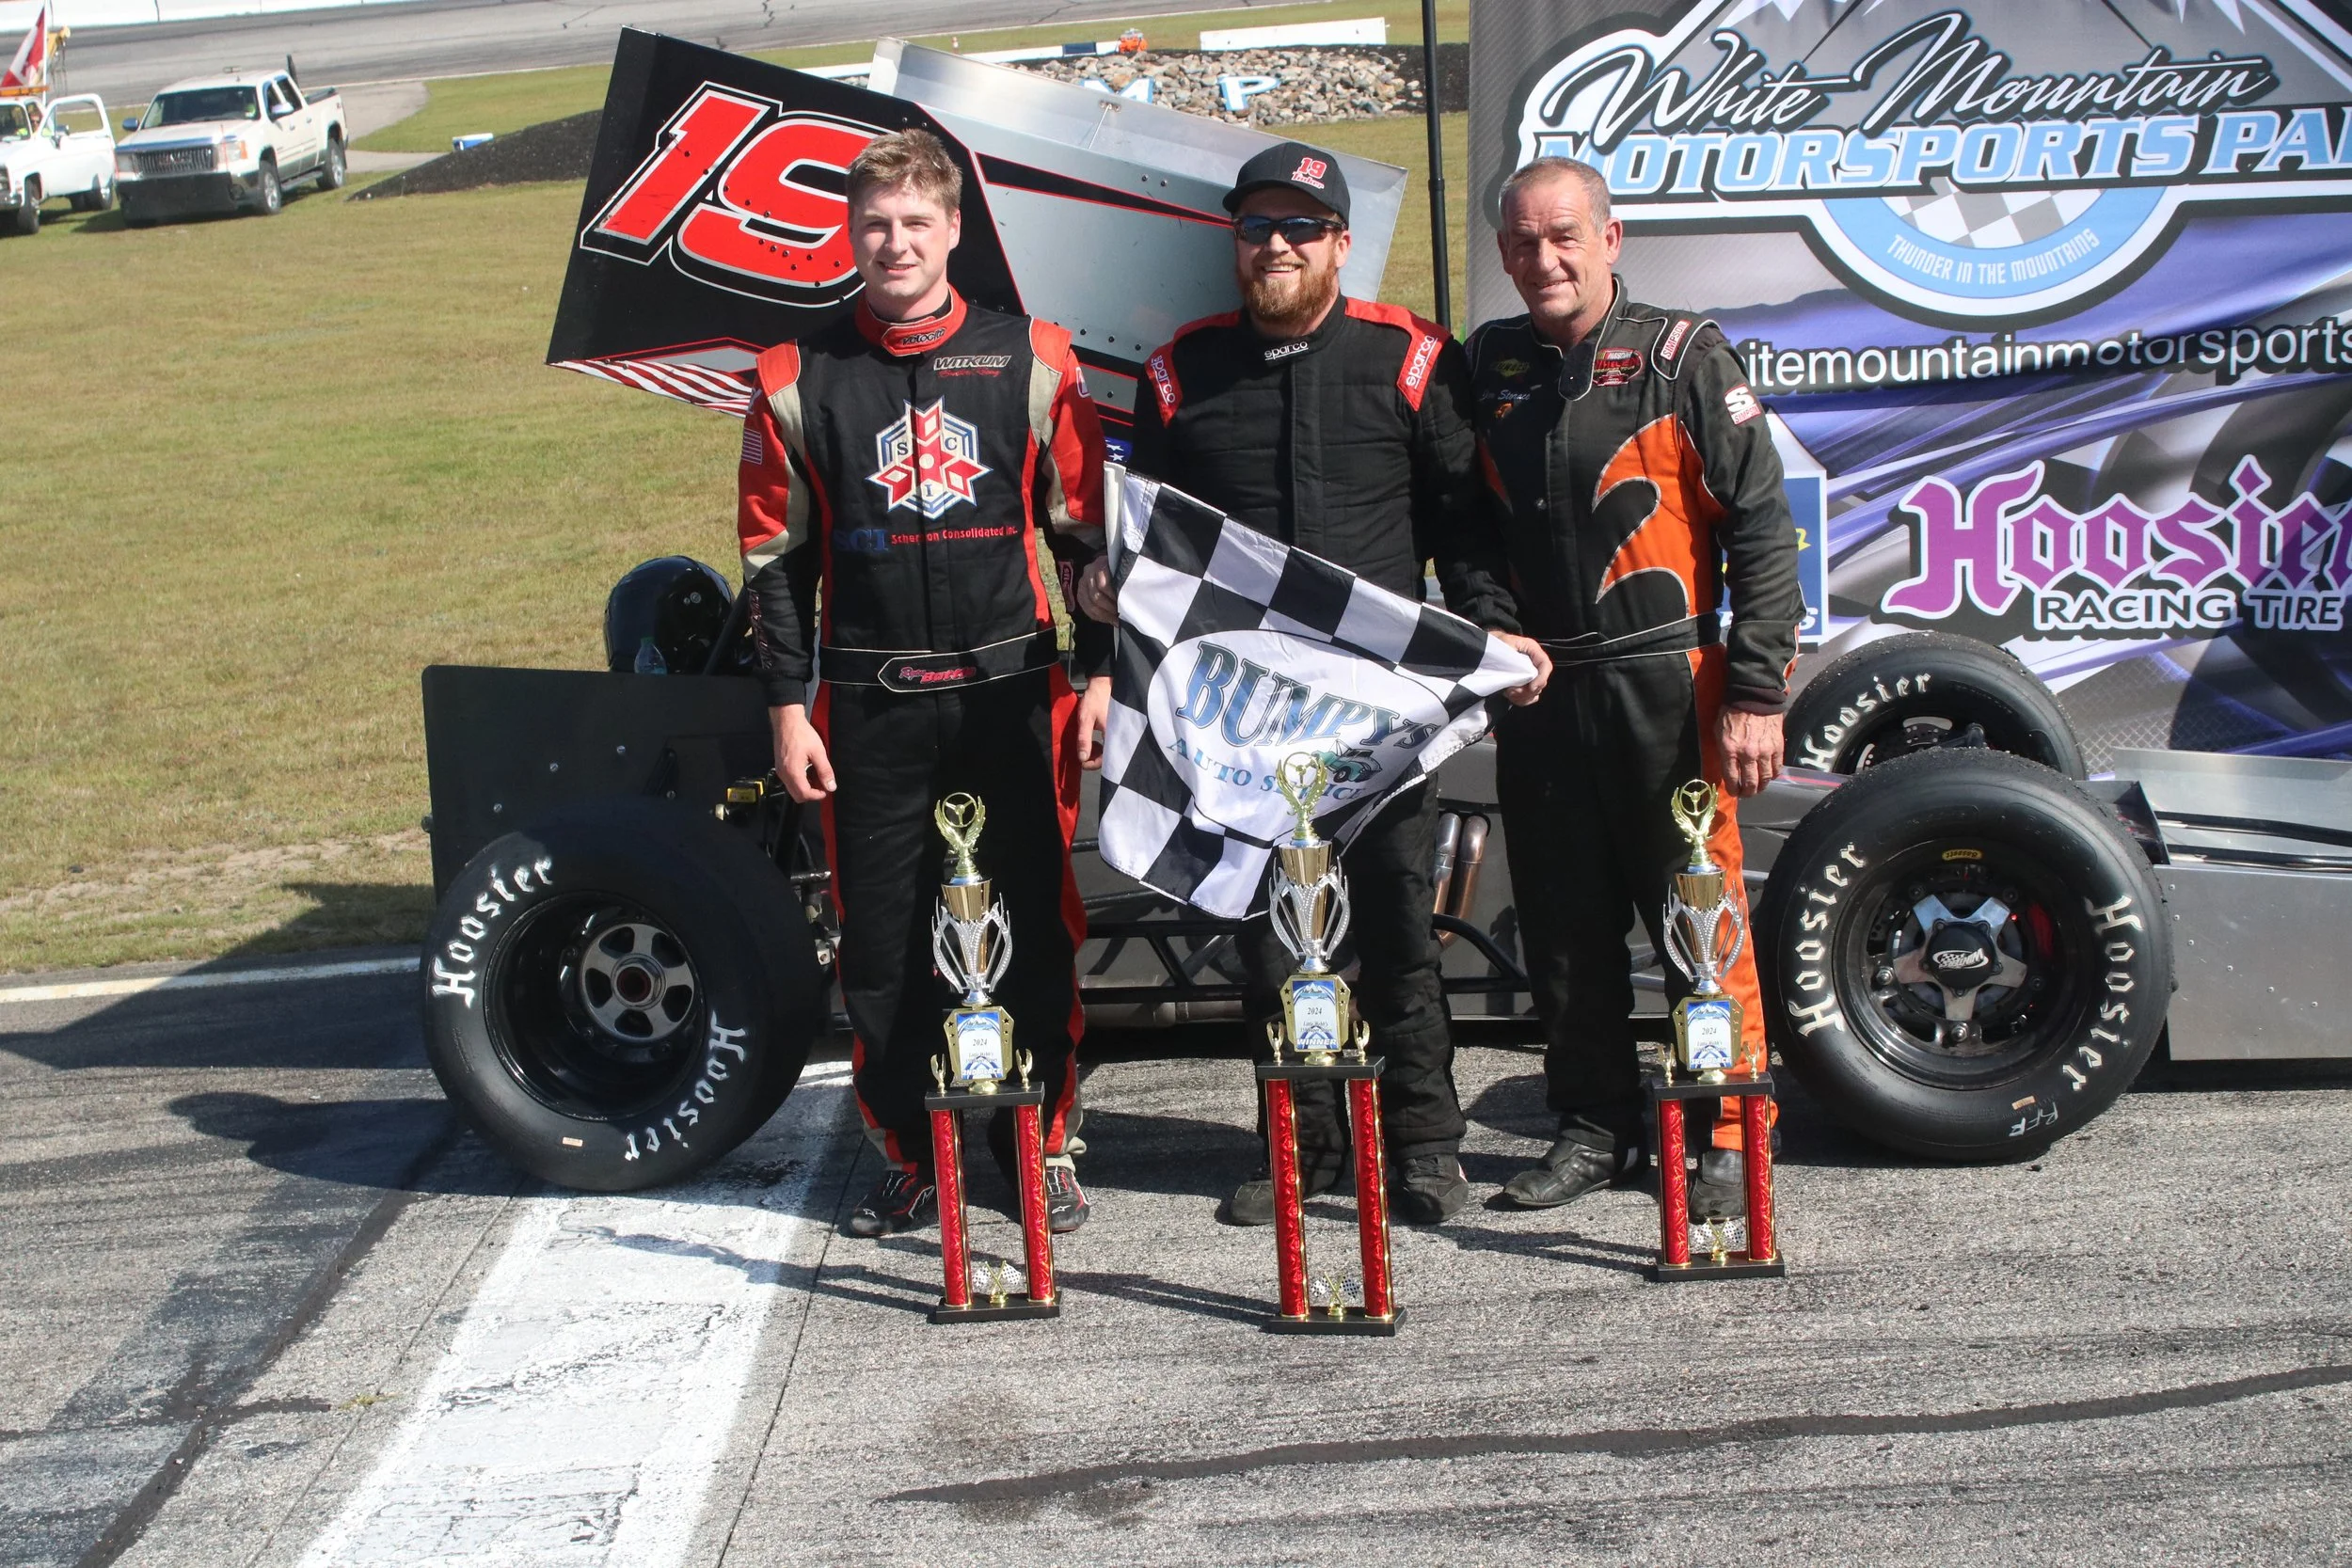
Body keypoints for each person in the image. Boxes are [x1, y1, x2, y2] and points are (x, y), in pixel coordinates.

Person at [1077, 140, 1550, 1226]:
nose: (1276, 246)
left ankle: (1425, 1144)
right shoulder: (1177, 372)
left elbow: (1462, 527)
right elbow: (1143, 551)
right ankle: (1302, 1144)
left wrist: (1493, 628)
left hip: (1376, 718)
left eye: (1300, 228)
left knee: (1395, 927)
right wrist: (1101, 613)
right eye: (1257, 227)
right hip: (1242, 722)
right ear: (1234, 241)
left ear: (1340, 243)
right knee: (1273, 936)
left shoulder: (1413, 356)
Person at [736, 128, 1111, 1238]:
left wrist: (1099, 675)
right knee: (882, 943)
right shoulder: (793, 375)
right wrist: (788, 710)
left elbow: (1085, 538)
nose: (893, 243)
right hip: (869, 709)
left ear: (952, 230)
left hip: (1012, 695)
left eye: (914, 222)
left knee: (1036, 926)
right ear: (849, 234)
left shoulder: (1035, 356)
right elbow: (774, 563)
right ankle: (911, 1151)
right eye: (874, 224)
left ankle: (1041, 1143)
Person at [1457, 155, 1804, 1218]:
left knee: (1697, 915)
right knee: (1563, 927)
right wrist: (1493, 626)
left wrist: (1756, 691)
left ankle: (1728, 1131)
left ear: (1610, 239)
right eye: (1523, 242)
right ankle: (1596, 1127)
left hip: (1669, 679)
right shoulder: (1489, 362)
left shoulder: (1682, 354)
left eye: (1564, 236)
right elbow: (1465, 527)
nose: (1543, 259)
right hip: (1542, 690)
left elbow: (1762, 530)